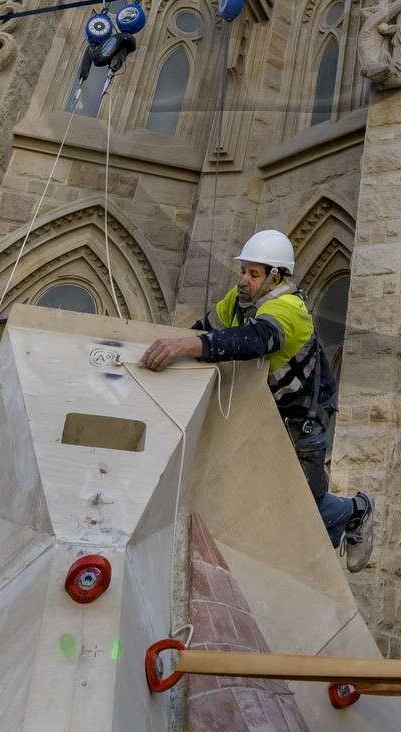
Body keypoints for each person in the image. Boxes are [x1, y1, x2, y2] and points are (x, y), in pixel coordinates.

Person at [141, 230, 375, 570]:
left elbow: (255, 339)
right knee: (259, 496)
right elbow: (204, 329)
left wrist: (186, 348)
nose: (244, 281)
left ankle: (356, 512)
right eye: (243, 271)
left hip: (306, 418)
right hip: (268, 411)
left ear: (274, 278)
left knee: (301, 508)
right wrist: (173, 346)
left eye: (253, 274)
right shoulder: (238, 301)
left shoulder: (288, 309)